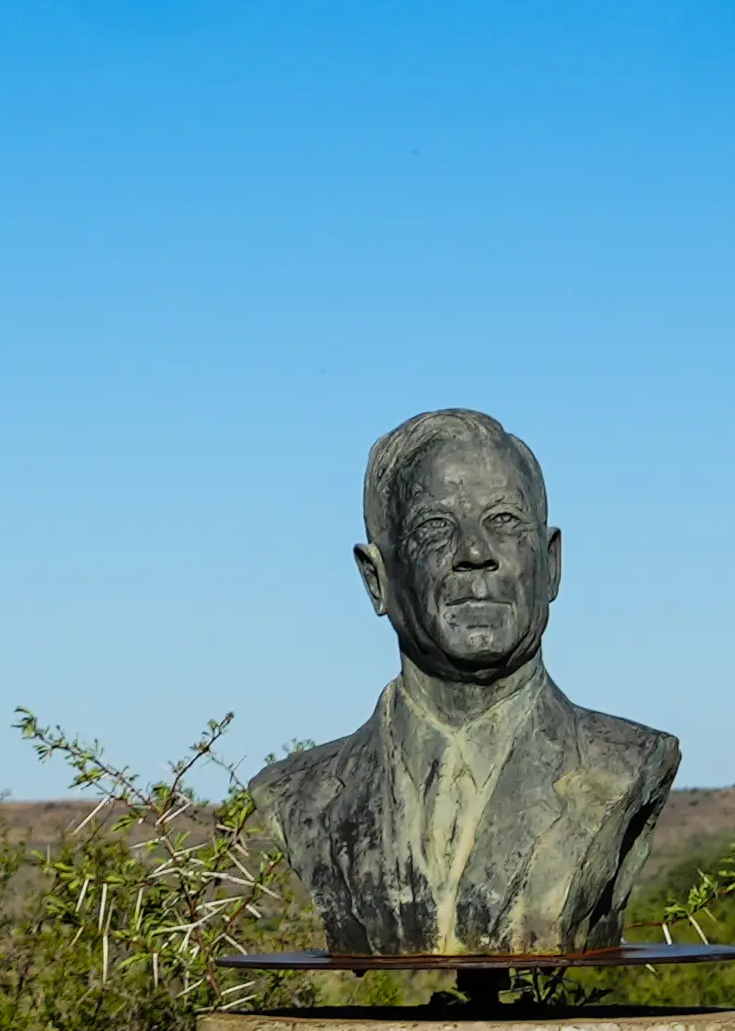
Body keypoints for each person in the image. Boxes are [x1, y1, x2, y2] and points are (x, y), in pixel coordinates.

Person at [243, 405, 678, 958]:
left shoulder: (624, 766)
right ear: (377, 579)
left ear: (551, 564)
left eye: (503, 521)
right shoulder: (299, 797)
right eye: (435, 529)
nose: (475, 554)